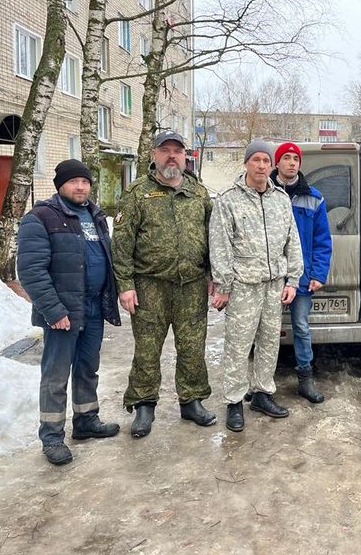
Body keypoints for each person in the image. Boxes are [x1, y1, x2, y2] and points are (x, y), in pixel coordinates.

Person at [112, 130, 216, 438]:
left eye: (177, 151)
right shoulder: (137, 193)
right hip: (149, 286)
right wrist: (125, 284)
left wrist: (214, 276)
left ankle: (192, 400)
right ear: (154, 155)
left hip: (192, 285)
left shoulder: (199, 193)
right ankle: (144, 405)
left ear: (185, 156)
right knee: (147, 349)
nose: (172, 156)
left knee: (192, 347)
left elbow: (213, 239)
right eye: (165, 150)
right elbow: (121, 243)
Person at [17, 159, 121, 465]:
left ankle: (86, 420)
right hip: (63, 312)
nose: (81, 187)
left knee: (88, 368)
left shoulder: (94, 215)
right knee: (56, 375)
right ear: (60, 185)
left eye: (85, 182)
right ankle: (51, 437)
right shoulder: (41, 218)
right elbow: (30, 270)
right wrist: (53, 310)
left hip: (92, 308)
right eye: (74, 181)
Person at [210, 140, 304, 432]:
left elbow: (293, 242)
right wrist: (223, 285)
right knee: (238, 346)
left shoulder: (281, 199)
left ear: (271, 165)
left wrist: (292, 280)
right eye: (256, 160)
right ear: (246, 164)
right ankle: (235, 402)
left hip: (274, 285)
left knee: (268, 342)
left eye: (266, 160)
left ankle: (263, 394)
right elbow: (220, 246)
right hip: (243, 285)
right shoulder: (228, 200)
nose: (262, 166)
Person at [270, 141, 332, 403]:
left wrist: (318, 274)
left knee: (301, 327)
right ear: (277, 163)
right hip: (269, 276)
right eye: (286, 158)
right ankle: (262, 383)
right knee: (266, 330)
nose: (292, 162)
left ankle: (305, 380)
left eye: (296, 158)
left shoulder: (314, 198)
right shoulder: (264, 192)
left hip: (302, 278)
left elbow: (322, 240)